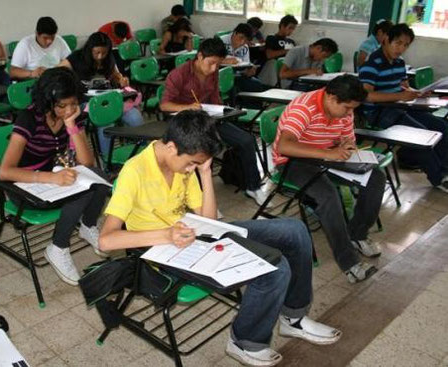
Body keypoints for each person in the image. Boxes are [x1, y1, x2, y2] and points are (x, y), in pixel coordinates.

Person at [99, 110, 341, 367]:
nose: (191, 168)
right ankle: (245, 341)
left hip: (196, 235)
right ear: (171, 147)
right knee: (275, 268)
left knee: (295, 231)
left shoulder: (184, 162)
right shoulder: (134, 171)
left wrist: (204, 174)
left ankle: (294, 318)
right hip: (161, 253)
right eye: (192, 163)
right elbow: (106, 240)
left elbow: (210, 222)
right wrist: (166, 234)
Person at [0, 67, 108, 285]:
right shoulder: (29, 119)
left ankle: (87, 225)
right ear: (48, 102)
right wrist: (49, 177)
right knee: (80, 193)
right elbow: (5, 172)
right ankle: (58, 246)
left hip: (51, 181)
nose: (69, 110)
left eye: (73, 104)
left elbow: (87, 163)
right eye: (62, 106)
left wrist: (71, 126)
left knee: (98, 177)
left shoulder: (72, 117)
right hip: (24, 188)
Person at [273, 75, 382, 282]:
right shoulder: (304, 107)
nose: (350, 114)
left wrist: (347, 143)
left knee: (375, 177)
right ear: (331, 98)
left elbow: (347, 136)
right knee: (328, 195)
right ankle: (350, 262)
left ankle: (357, 234)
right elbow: (284, 146)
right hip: (293, 161)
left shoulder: (343, 107)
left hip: (328, 154)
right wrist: (328, 154)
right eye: (348, 108)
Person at [160, 38, 269, 205]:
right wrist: (187, 107)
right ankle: (202, 200)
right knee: (204, 150)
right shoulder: (179, 74)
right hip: (186, 124)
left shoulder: (213, 73)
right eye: (210, 63)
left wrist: (221, 110)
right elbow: (165, 105)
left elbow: (214, 99)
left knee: (247, 140)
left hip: (209, 120)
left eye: (217, 65)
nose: (213, 69)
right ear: (200, 56)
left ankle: (253, 187)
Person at [359, 23, 448, 192]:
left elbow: (404, 87)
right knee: (421, 135)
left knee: (442, 127)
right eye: (398, 43)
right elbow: (366, 96)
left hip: (400, 106)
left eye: (406, 45)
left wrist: (418, 93)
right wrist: (401, 96)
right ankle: (438, 178)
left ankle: (445, 172)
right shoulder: (372, 63)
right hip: (380, 111)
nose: (401, 48)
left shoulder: (399, 63)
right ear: (386, 40)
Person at [58, 32, 144, 156]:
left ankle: (143, 151)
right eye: (96, 53)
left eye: (103, 53)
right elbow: (57, 71)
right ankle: (108, 160)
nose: (100, 56)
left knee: (135, 116)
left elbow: (115, 75)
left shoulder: (108, 58)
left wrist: (121, 80)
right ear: (89, 50)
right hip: (86, 102)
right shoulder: (76, 58)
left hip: (109, 98)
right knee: (106, 120)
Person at [220, 23, 268, 93]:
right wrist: (224, 60)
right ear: (235, 33)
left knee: (257, 84)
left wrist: (249, 71)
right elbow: (213, 60)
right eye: (241, 37)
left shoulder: (245, 47)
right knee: (236, 88)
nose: (242, 42)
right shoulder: (221, 41)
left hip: (238, 75)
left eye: (246, 40)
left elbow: (245, 64)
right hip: (223, 75)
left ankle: (251, 104)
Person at [258, 15, 298, 87]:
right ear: (282, 26)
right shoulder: (272, 38)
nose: (291, 31)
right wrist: (287, 51)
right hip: (273, 70)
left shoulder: (291, 42)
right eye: (290, 28)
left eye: (293, 29)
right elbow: (269, 55)